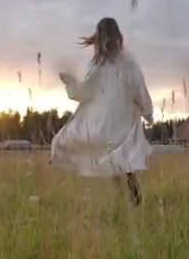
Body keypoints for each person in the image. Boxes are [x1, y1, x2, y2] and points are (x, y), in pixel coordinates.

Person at [50, 17, 154, 205]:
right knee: (121, 158)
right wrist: (148, 112)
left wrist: (71, 82)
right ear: (118, 36)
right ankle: (131, 195)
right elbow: (140, 90)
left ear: (98, 39)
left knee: (113, 158)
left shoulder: (97, 65)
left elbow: (84, 92)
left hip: (105, 121)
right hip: (124, 119)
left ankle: (127, 195)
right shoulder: (129, 63)